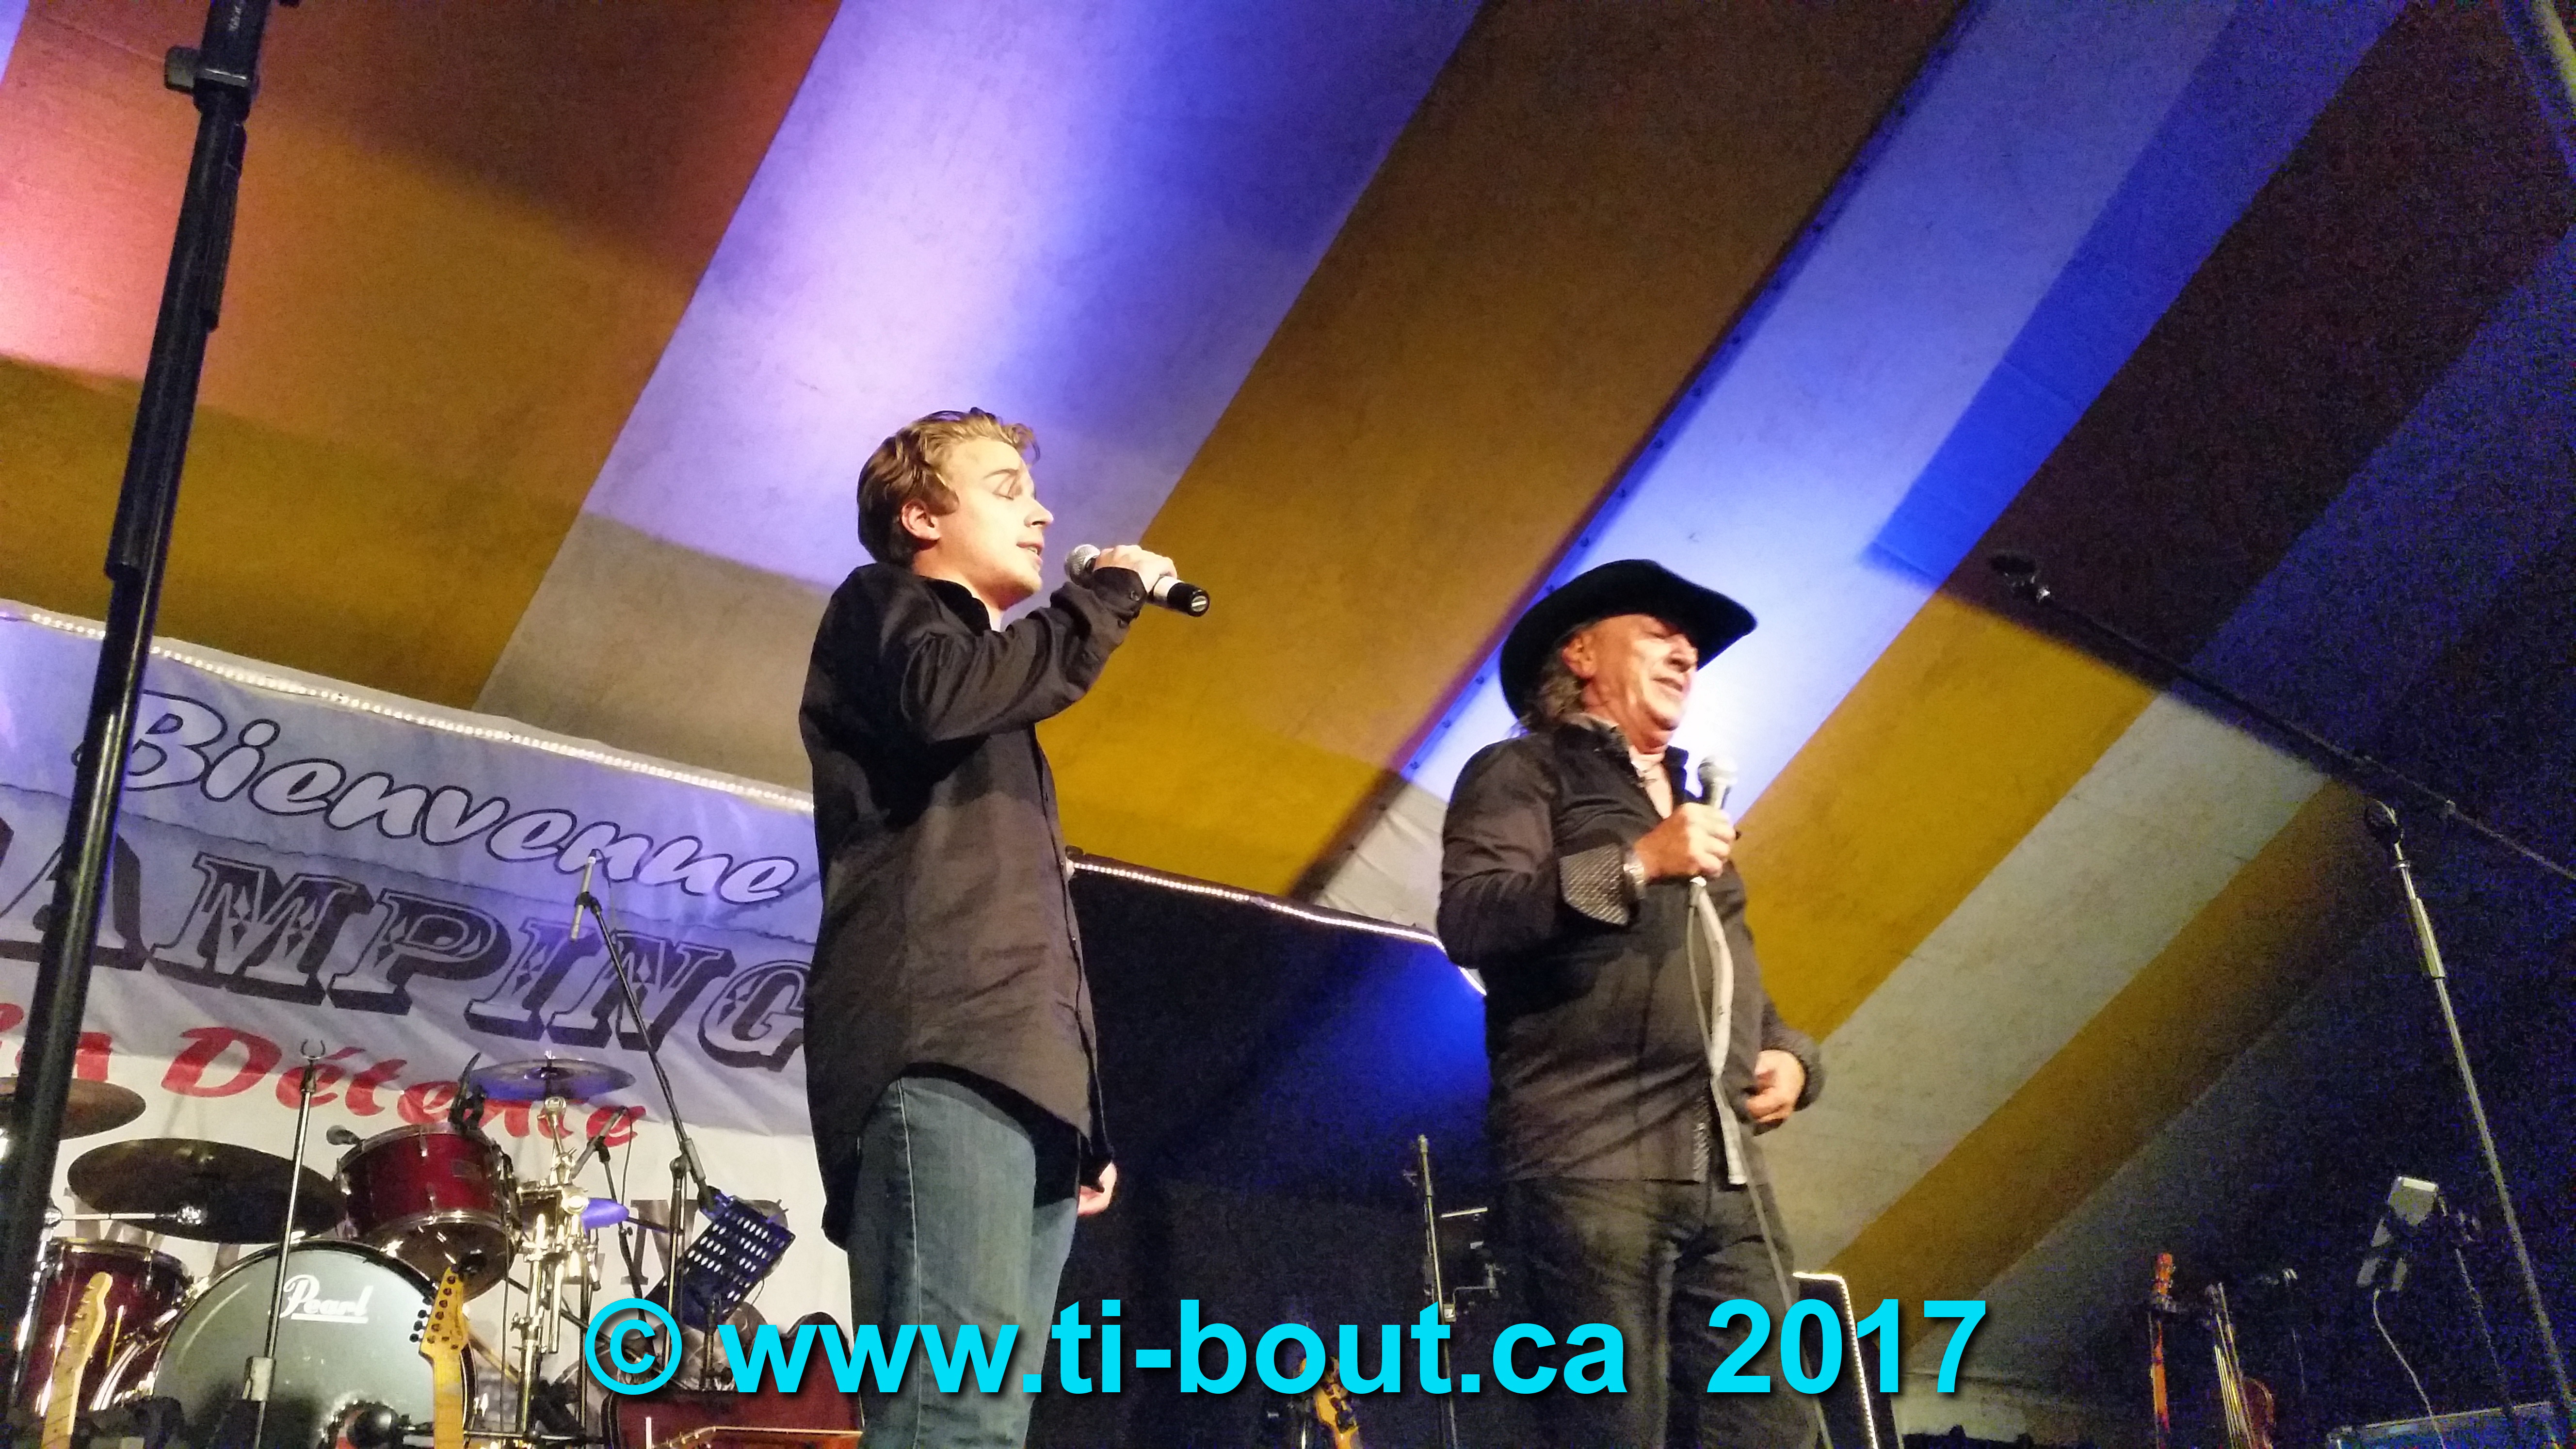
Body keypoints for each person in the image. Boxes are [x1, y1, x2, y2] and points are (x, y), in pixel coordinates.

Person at [800, 408, 1174, 1448]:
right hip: (939, 1056)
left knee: (990, 1425)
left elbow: (1024, 922)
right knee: (946, 1415)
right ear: (921, 515)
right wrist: (1103, 597)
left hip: (1021, 1077)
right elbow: (942, 695)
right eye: (1007, 489)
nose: (1042, 512)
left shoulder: (998, 710)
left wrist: (1078, 1114)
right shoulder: (882, 608)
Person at [1438, 559, 1824, 1449]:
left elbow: (1725, 966)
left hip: (1724, 1176)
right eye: (1659, 632)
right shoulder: (1521, 770)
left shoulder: (1693, 804)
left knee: (1770, 1432)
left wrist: (1793, 1055)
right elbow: (1472, 917)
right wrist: (1637, 863)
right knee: (1608, 1431)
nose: (1686, 652)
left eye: (1693, 645)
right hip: (1591, 1165)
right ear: (1580, 654)